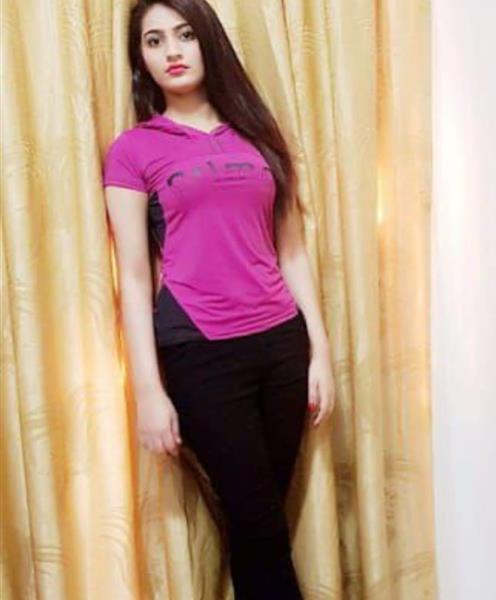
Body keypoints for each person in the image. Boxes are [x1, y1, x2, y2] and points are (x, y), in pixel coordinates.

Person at [101, 1, 335, 598]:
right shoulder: (133, 150)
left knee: (260, 526)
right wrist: (148, 392)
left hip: (282, 347)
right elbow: (134, 277)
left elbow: (292, 251)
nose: (172, 51)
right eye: (154, 41)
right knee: (259, 525)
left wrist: (320, 352)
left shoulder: (257, 135)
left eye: (184, 35)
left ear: (208, 41)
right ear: (141, 59)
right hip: (200, 354)